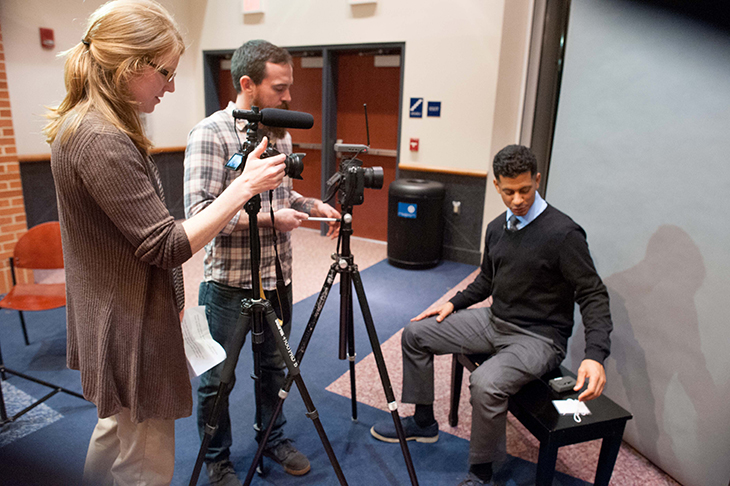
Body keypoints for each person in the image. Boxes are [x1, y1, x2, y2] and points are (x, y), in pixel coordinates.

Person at [43, 2, 286, 485]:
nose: (171, 86)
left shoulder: (85, 124)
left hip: (112, 311)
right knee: (145, 463)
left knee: (115, 432)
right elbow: (165, 244)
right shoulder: (101, 137)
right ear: (132, 66)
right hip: (129, 323)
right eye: (165, 73)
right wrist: (241, 190)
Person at [370, 145, 613, 485]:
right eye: (509, 191)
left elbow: (592, 293)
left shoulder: (563, 234)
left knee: (485, 384)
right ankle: (423, 422)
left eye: (525, 190)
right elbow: (487, 279)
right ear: (497, 186)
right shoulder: (499, 227)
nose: (517, 199)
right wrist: (453, 303)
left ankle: (482, 474)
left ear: (537, 181)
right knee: (416, 334)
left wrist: (595, 355)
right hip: (495, 320)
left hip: (539, 338)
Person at [184, 39, 340, 484]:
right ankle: (217, 459)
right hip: (228, 283)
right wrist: (274, 219)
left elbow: (285, 198)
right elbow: (200, 216)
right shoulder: (209, 134)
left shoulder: (281, 134)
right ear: (248, 85)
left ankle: (272, 439)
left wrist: (312, 205)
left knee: (275, 370)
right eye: (280, 87)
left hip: (277, 277)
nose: (289, 98)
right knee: (219, 379)